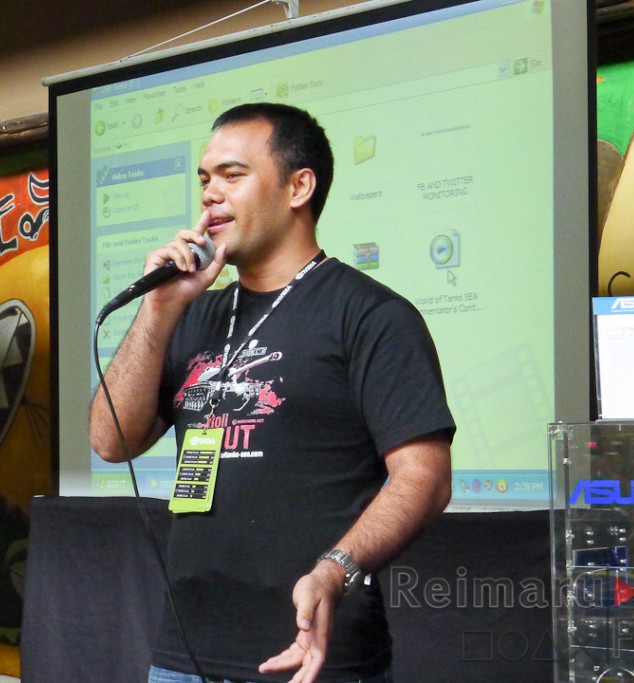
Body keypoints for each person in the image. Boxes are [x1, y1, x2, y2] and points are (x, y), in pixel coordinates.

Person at [90, 102, 455, 683]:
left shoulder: (371, 316)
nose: (211, 194)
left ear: (298, 187)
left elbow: (425, 479)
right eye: (205, 180)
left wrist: (334, 570)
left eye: (232, 175)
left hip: (312, 655)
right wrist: (159, 308)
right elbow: (111, 440)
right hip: (183, 656)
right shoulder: (189, 313)